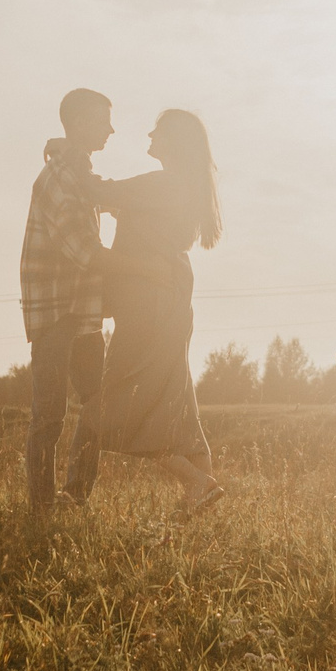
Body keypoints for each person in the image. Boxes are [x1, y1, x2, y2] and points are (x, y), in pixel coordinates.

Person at [92, 108, 224, 516]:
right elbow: (127, 209)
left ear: (175, 141)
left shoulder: (164, 184)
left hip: (151, 303)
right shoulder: (177, 187)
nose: (149, 134)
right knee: (175, 397)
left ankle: (197, 482)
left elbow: (100, 192)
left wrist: (64, 157)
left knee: (122, 401)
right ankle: (204, 491)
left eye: (158, 130)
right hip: (167, 300)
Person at [18, 88, 112, 515]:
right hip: (57, 312)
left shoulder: (76, 172)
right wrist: (147, 270)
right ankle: (42, 507)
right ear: (77, 124)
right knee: (50, 414)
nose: (111, 128)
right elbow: (85, 250)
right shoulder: (61, 178)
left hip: (83, 313)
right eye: (102, 119)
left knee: (98, 404)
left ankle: (74, 498)